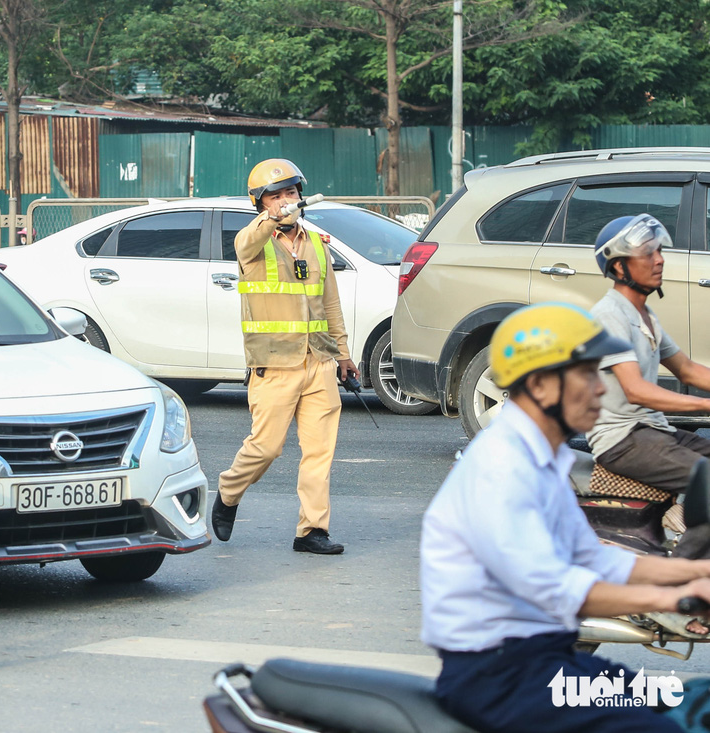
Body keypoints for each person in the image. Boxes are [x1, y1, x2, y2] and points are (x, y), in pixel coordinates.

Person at [421, 302, 710, 733]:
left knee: (691, 701)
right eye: (588, 374)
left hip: (548, 664)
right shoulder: (502, 466)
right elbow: (554, 589)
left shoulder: (544, 458)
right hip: (503, 680)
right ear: (540, 384)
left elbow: (592, 559)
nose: (600, 389)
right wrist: (676, 599)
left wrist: (691, 570)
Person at [211, 159, 358, 555]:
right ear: (260, 204)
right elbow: (246, 241)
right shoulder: (253, 243)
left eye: (290, 193)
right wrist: (272, 219)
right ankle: (228, 491)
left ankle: (312, 530)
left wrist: (343, 356)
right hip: (274, 365)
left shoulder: (317, 245)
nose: (285, 201)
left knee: (319, 452)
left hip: (318, 364)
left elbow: (331, 305)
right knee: (266, 447)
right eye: (274, 196)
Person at [587, 214, 710, 493]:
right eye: (647, 254)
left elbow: (687, 370)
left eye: (659, 251)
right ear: (619, 266)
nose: (659, 260)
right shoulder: (609, 316)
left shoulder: (645, 315)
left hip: (655, 429)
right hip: (622, 440)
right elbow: (636, 390)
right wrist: (705, 406)